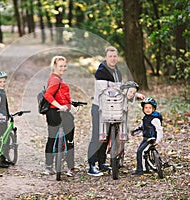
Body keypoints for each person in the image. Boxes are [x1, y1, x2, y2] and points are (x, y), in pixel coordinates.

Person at [87, 46, 145, 176]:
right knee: (97, 136)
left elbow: (121, 88)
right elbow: (108, 91)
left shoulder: (117, 72)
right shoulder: (101, 71)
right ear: (106, 57)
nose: (113, 59)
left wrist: (135, 94)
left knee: (106, 136)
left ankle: (102, 163)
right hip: (100, 107)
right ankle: (91, 165)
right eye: (110, 56)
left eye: (115, 56)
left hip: (112, 108)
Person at [42, 56, 76, 177]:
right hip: (56, 112)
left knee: (51, 138)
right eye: (60, 66)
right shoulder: (55, 80)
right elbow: (48, 95)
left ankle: (48, 166)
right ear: (55, 66)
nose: (63, 68)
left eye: (64, 66)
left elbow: (61, 96)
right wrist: (59, 106)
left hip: (53, 113)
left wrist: (67, 104)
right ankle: (70, 167)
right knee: (69, 138)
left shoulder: (55, 79)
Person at [131, 97, 163, 175]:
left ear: (153, 109)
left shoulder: (155, 119)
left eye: (150, 108)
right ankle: (145, 166)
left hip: (151, 139)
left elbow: (159, 130)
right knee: (139, 150)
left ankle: (142, 170)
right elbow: (142, 127)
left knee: (141, 152)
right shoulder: (145, 118)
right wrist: (135, 132)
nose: (147, 109)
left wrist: (157, 140)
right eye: (146, 108)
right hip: (145, 138)